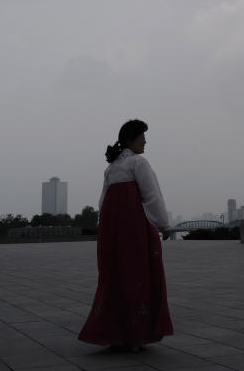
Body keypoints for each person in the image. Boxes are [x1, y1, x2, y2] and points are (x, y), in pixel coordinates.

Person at [78, 119, 174, 350]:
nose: (145, 142)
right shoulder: (138, 163)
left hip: (112, 231)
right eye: (142, 137)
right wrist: (164, 225)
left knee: (116, 277)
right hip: (135, 229)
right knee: (139, 275)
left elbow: (103, 203)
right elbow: (152, 196)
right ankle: (135, 335)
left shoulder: (111, 169)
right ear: (131, 139)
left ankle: (115, 334)